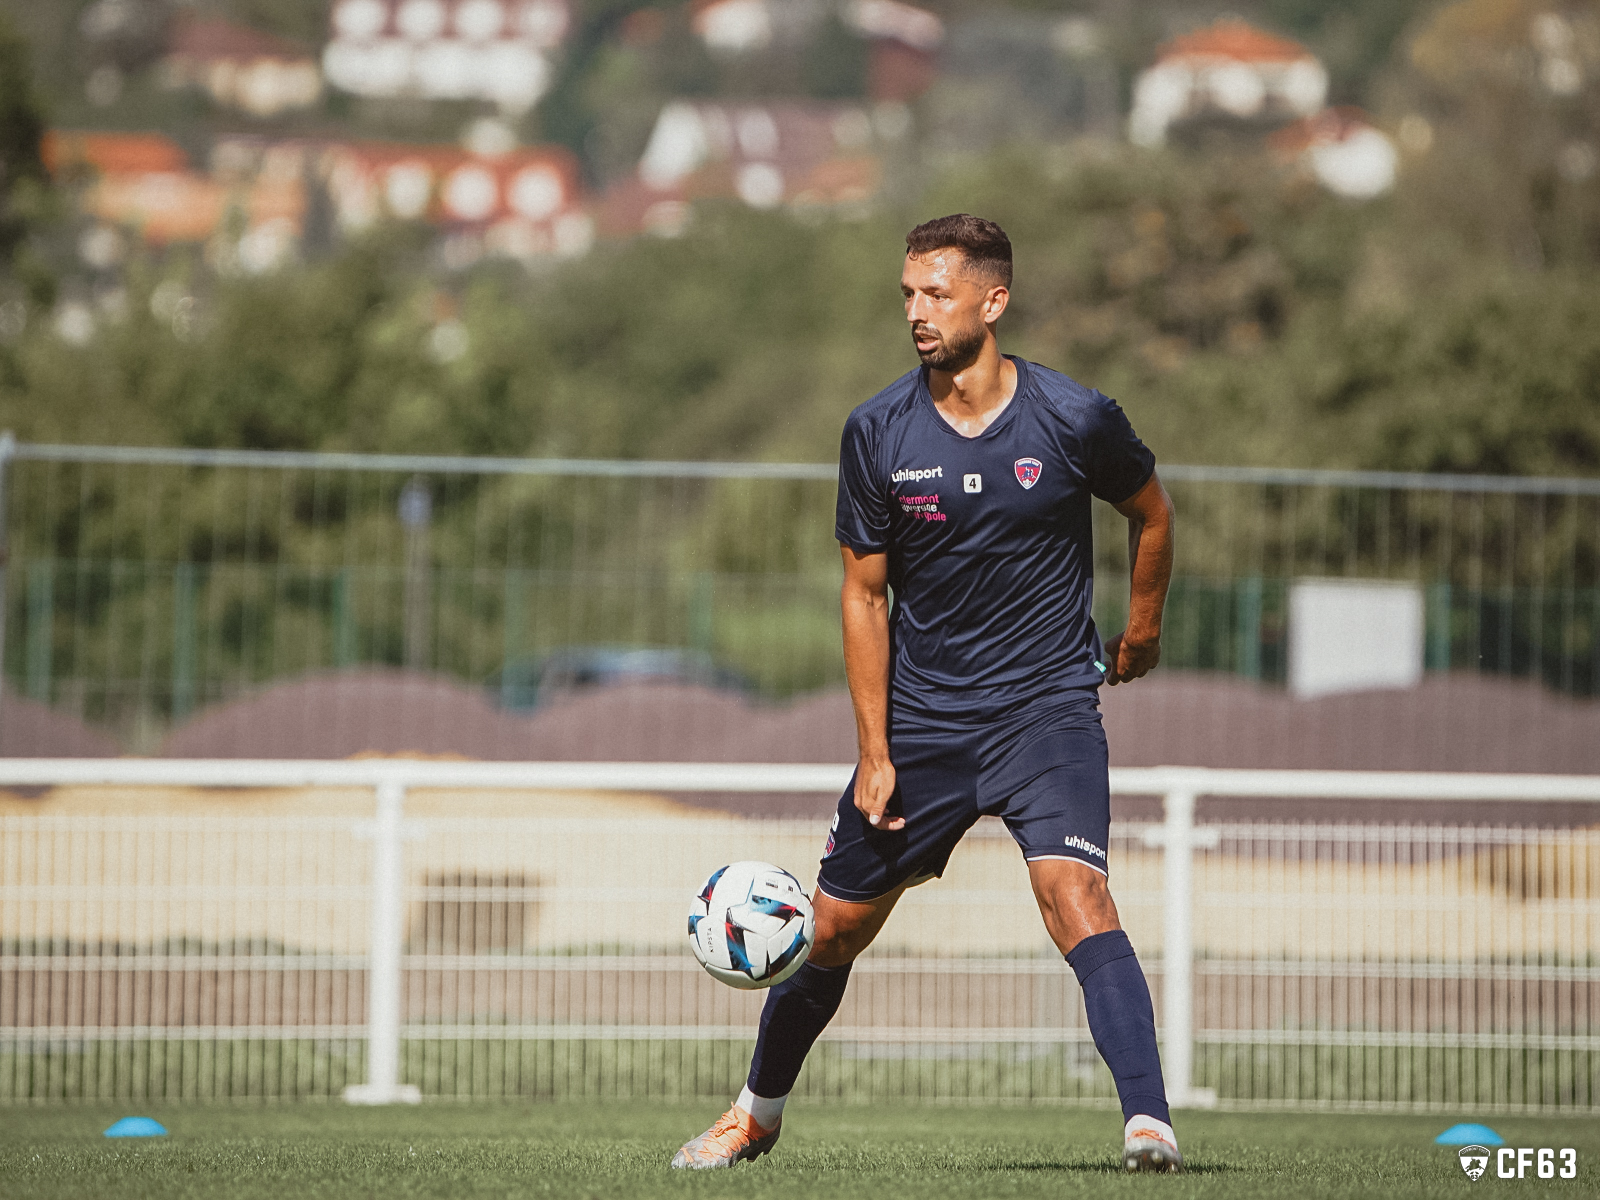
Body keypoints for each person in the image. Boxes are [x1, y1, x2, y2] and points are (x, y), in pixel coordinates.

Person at [671, 214, 1180, 1173]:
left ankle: (1148, 1124)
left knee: (1077, 896)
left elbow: (1150, 512)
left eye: (936, 293)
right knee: (828, 931)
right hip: (925, 725)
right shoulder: (877, 431)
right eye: (908, 292)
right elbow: (864, 597)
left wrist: (1143, 626)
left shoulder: (1075, 417)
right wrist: (876, 751)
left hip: (1047, 711)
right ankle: (755, 1115)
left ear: (994, 301)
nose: (916, 312)